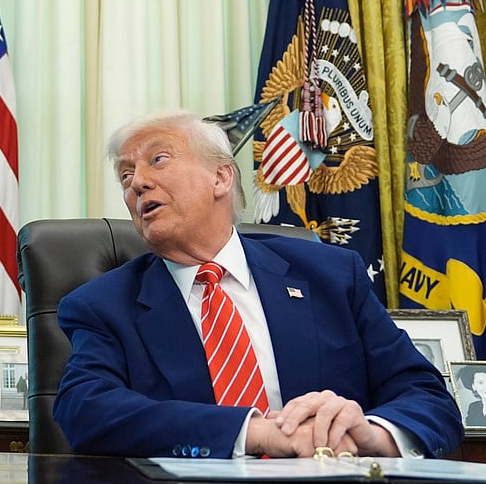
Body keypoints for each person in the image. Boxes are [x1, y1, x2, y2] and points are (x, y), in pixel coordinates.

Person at [53, 109, 462, 459]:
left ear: (220, 178)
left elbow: (428, 397)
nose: (137, 183)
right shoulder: (103, 305)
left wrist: (369, 434)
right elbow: (86, 410)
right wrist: (255, 433)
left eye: (157, 160)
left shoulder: (333, 277)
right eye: (126, 175)